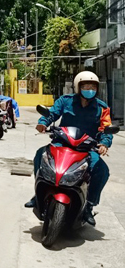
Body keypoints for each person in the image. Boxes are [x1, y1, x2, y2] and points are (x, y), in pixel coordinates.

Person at [25, 71, 113, 226]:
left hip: (87, 148)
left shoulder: (102, 108)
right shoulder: (65, 101)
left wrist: (105, 143)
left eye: (93, 86)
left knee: (101, 170)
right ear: (78, 87)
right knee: (41, 155)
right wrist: (43, 122)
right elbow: (51, 114)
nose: (89, 89)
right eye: (86, 85)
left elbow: (106, 127)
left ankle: (89, 205)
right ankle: (38, 194)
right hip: (62, 142)